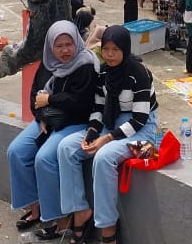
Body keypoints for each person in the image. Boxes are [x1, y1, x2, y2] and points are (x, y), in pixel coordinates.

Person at [56, 25, 159, 244]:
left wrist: (106, 139)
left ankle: (108, 231)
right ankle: (79, 212)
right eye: (106, 49)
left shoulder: (139, 73)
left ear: (125, 49)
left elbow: (139, 119)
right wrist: (92, 133)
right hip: (111, 125)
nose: (110, 54)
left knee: (104, 157)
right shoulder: (103, 73)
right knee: (66, 148)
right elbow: (97, 108)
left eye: (115, 49)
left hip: (144, 134)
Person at [7, 21, 99, 240]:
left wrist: (49, 100)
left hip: (73, 123)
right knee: (16, 152)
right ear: (50, 46)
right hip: (47, 120)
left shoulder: (85, 65)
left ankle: (60, 219)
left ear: (77, 41)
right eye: (59, 46)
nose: (65, 50)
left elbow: (81, 104)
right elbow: (34, 97)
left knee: (44, 159)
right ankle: (37, 208)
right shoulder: (48, 64)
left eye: (69, 44)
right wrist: (41, 116)